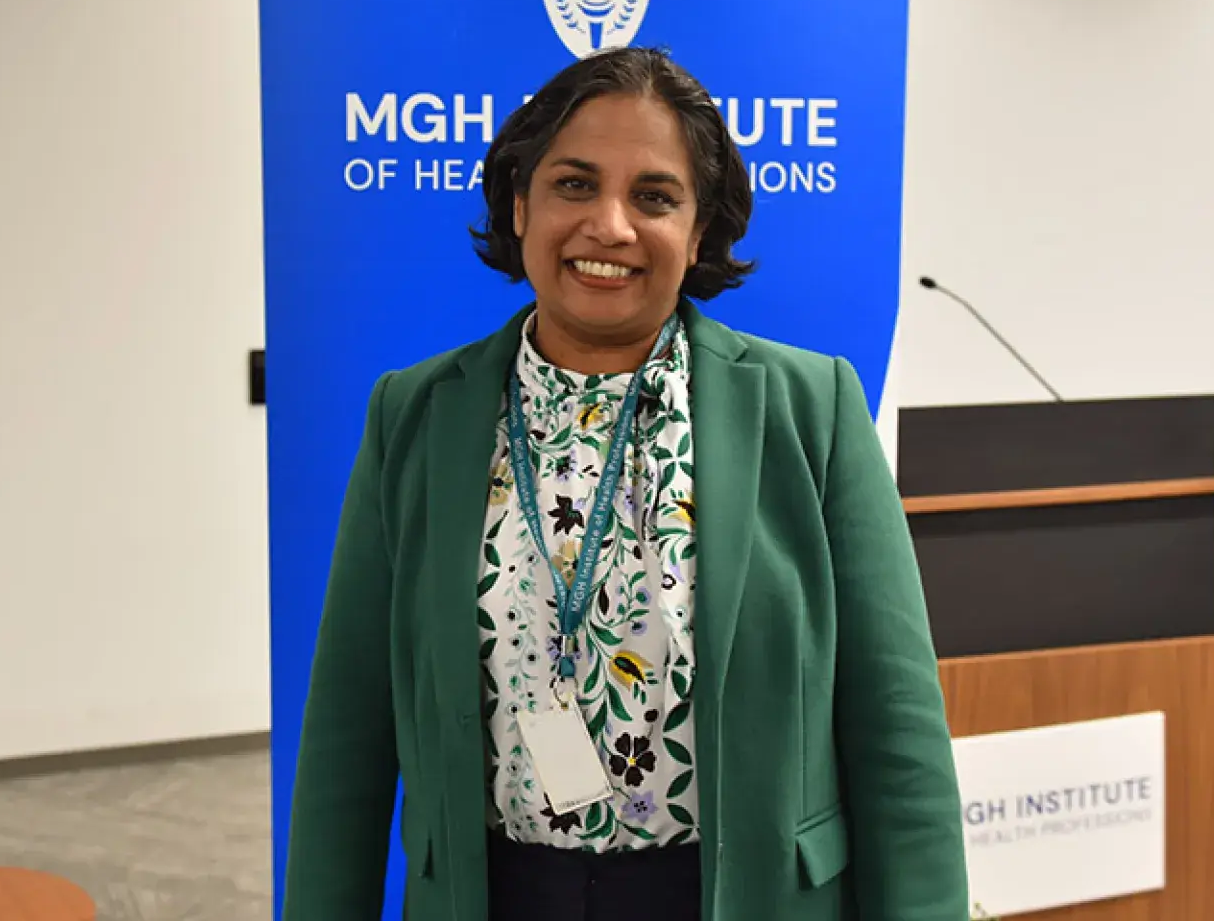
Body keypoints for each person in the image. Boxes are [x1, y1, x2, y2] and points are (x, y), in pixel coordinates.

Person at [282, 47, 968, 921]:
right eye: (574, 184)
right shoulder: (413, 416)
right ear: (520, 202)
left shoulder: (812, 409)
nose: (610, 226)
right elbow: (350, 731)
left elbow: (897, 728)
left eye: (655, 197)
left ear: (703, 231)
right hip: (497, 896)